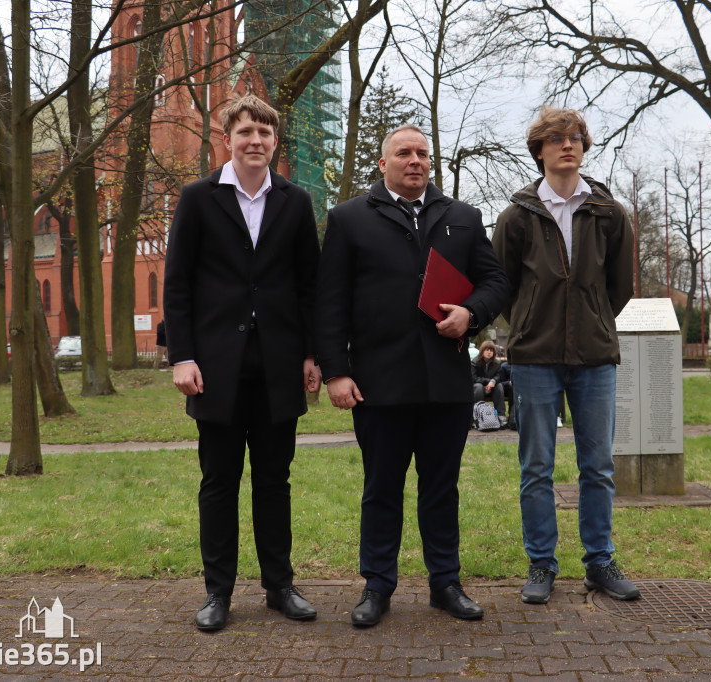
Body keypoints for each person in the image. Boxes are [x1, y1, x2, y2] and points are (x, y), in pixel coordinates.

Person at [316, 124, 509, 628]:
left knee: (441, 489)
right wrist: (336, 372)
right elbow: (329, 302)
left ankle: (445, 583)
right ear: (383, 164)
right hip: (378, 386)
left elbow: (496, 282)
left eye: (423, 153)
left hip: (445, 384)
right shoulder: (349, 218)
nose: (416, 160)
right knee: (382, 488)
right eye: (404, 153)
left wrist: (471, 313)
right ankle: (377, 586)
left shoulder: (462, 218)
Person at [163, 94, 321, 631]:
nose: (256, 141)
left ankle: (279, 586)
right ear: (227, 139)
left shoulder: (295, 203)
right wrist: (181, 356)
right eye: (246, 132)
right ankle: (218, 592)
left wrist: (310, 354)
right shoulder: (198, 198)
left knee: (274, 480)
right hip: (215, 369)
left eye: (265, 134)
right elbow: (178, 283)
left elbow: (309, 288)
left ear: (275, 142)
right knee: (219, 482)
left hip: (278, 367)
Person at [492, 106, 638, 604]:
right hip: (534, 357)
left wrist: (592, 319)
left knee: (597, 466)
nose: (567, 144)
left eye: (575, 137)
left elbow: (619, 287)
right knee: (537, 466)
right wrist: (533, 323)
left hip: (595, 357)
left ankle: (599, 562)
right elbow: (503, 286)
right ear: (539, 150)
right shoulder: (515, 216)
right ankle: (541, 565)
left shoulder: (609, 213)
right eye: (555, 138)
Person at [471, 339, 506, 418]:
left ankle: (501, 416)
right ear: (482, 351)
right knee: (478, 387)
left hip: (492, 389)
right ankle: (477, 416)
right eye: (487, 350)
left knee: (499, 386)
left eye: (491, 350)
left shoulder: (497, 363)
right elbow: (474, 378)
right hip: (478, 389)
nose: (489, 352)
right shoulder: (474, 362)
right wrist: (488, 381)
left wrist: (493, 381)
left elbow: (499, 376)